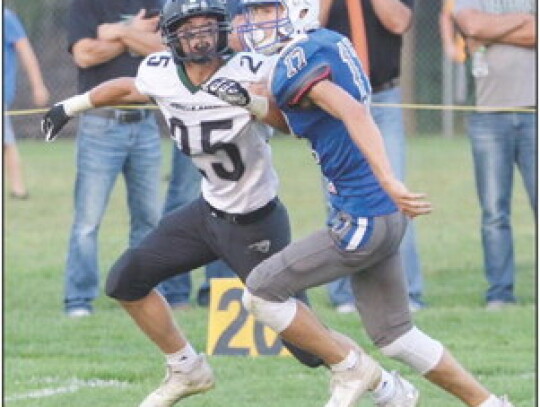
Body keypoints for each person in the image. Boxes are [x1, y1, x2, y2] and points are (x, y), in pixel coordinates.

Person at [206, 0, 515, 405]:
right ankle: (487, 404)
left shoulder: (297, 60)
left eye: (266, 11)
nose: (253, 23)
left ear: (297, 9)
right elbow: (305, 118)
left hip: (363, 219)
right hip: (381, 216)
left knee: (261, 291)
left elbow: (352, 111)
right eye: (252, 15)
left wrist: (389, 177)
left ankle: (351, 366)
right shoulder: (325, 42)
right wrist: (253, 102)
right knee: (397, 336)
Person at [40, 0, 345, 405]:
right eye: (189, 28)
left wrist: (251, 102)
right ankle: (186, 368)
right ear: (170, 37)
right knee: (125, 281)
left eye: (207, 27)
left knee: (307, 349)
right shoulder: (160, 72)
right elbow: (127, 88)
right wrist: (70, 106)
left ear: (222, 30)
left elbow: (292, 123)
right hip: (207, 214)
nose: (199, 36)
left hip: (256, 222)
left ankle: (373, 377)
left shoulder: (252, 68)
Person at [318, 0, 426, 312]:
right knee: (337, 196)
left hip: (382, 98)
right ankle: (343, 295)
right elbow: (310, 27)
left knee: (397, 195)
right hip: (335, 99)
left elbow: (398, 21)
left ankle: (409, 293)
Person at [60, 0, 165, 318]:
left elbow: (162, 51)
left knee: (148, 219)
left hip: (147, 124)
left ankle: (142, 292)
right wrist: (134, 34)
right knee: (88, 221)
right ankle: (78, 299)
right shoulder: (86, 5)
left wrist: (115, 33)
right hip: (99, 125)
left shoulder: (153, 3)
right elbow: (84, 55)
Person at [453, 0, 536, 310]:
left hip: (534, 113)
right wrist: (523, 21)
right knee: (494, 212)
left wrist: (491, 32)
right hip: (487, 116)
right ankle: (500, 293)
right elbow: (472, 28)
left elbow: (534, 33)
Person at [158, 146, 235, 309]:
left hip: (234, 129)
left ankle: (220, 291)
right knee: (182, 199)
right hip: (194, 127)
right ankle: (175, 293)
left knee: (229, 203)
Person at [4, 8, 50, 200]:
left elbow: (25, 50)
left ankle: (18, 188)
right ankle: (18, 188)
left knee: (5, 142)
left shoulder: (5, 17)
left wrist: (38, 86)